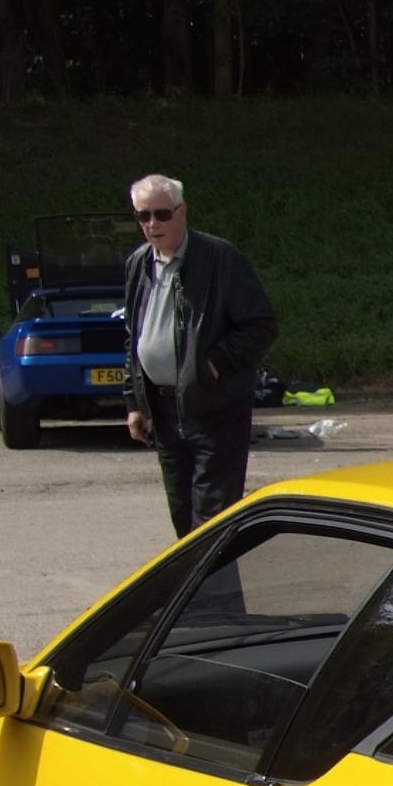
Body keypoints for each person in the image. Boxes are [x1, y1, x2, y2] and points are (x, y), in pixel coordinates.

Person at [121, 172, 279, 537]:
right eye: (143, 216)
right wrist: (134, 403)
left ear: (182, 212)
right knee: (183, 521)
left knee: (212, 524)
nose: (152, 224)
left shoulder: (221, 258)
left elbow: (261, 326)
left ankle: (219, 577)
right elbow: (133, 337)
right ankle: (204, 578)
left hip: (215, 409)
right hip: (163, 412)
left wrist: (212, 364)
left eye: (162, 214)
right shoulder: (138, 264)